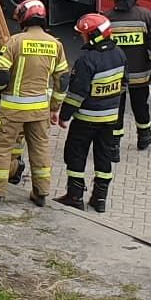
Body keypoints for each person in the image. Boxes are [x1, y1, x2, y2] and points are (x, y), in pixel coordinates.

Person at [0, 0, 62, 208]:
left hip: (13, 110)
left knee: (1, 149)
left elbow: (1, 77)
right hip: (40, 111)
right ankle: (40, 193)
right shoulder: (56, 45)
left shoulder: (15, 42)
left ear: (23, 17)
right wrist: (54, 108)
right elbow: (62, 81)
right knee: (40, 149)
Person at [55, 13, 127, 212]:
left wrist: (64, 116)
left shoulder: (86, 60)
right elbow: (123, 85)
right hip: (110, 119)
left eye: (84, 34)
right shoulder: (120, 54)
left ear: (93, 35)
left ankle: (75, 196)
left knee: (75, 154)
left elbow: (77, 93)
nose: (81, 37)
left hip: (86, 120)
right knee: (103, 157)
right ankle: (99, 199)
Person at [105, 0, 151, 150]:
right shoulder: (145, 15)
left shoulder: (106, 18)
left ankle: (113, 144)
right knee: (141, 106)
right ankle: (144, 137)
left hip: (115, 78)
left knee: (116, 110)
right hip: (141, 76)